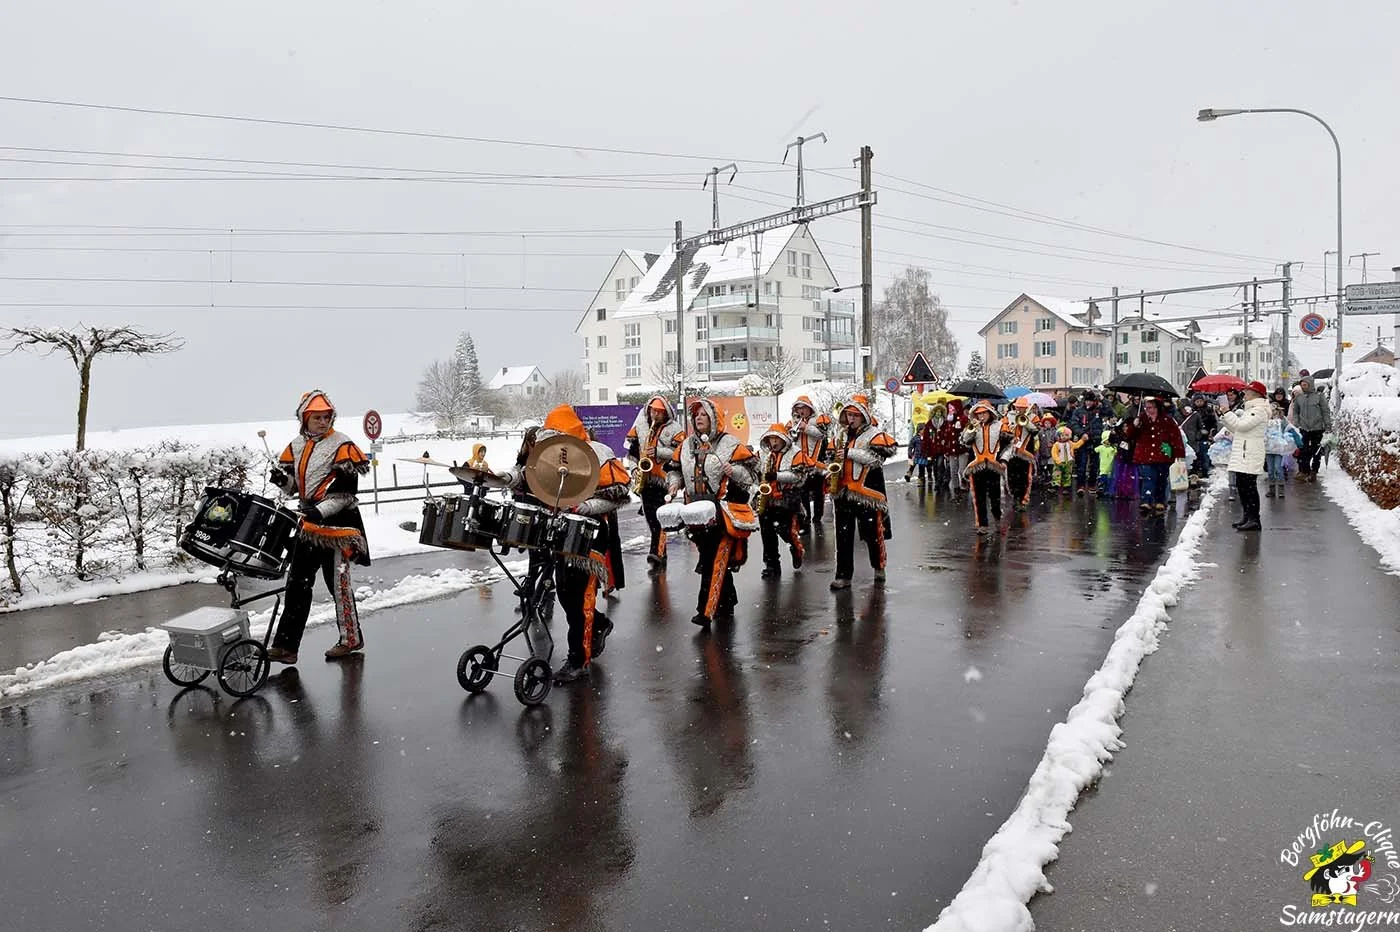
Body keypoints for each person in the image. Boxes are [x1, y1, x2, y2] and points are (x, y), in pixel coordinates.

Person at [267, 390, 371, 664]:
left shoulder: (342, 445)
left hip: (339, 529)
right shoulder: (297, 445)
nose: (323, 422)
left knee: (338, 585)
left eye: (326, 417)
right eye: (317, 417)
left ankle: (351, 639)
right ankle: (287, 647)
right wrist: (282, 480)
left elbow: (345, 493)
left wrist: (319, 510)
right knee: (297, 584)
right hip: (309, 526)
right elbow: (297, 489)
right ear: (304, 418)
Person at [534, 405, 631, 684]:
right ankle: (599, 624)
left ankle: (579, 659)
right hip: (561, 531)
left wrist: (585, 507)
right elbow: (533, 483)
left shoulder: (599, 453)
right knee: (566, 594)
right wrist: (504, 479)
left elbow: (619, 492)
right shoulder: (548, 455)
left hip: (591, 532)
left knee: (580, 597)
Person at [667, 399, 757, 627]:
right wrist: (674, 483)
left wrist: (734, 470)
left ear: (714, 418)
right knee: (712, 558)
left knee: (712, 562)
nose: (698, 418)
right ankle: (728, 600)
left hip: (721, 512)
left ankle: (705, 611)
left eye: (703, 415)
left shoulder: (729, 443)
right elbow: (675, 470)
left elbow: (751, 476)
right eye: (696, 415)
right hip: (694, 512)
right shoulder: (686, 445)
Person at [829, 395, 897, 588]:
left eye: (855, 415)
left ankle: (878, 566)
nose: (851, 419)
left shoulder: (874, 434)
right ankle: (843, 576)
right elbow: (832, 458)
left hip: (867, 493)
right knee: (843, 536)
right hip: (842, 492)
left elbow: (876, 460)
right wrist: (831, 469)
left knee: (872, 534)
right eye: (849, 415)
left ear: (864, 417)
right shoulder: (840, 435)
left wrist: (850, 453)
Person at [625, 396, 683, 575]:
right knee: (650, 517)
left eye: (659, 411)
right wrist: (635, 469)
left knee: (661, 517)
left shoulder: (675, 429)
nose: (655, 414)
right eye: (653, 410)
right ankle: (657, 550)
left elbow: (680, 452)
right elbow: (633, 453)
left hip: (664, 479)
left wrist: (658, 451)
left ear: (665, 413)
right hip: (646, 479)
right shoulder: (641, 427)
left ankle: (658, 552)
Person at [754, 428, 811, 579]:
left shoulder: (795, 453)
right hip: (767, 498)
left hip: (787, 498)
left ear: (783, 439)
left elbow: (798, 476)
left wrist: (777, 476)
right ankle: (772, 565)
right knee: (767, 533)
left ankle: (796, 548)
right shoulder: (763, 454)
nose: (773, 442)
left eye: (776, 439)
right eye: (771, 439)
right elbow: (755, 471)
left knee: (785, 530)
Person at [1123, 396, 1185, 516]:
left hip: (1163, 453)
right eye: (1146, 407)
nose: (1147, 410)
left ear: (1157, 408)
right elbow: (1129, 435)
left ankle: (1159, 501)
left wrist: (1179, 454)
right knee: (1148, 477)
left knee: (1161, 480)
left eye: (1150, 407)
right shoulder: (1140, 419)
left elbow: (1176, 438)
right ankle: (1146, 500)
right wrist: (1134, 426)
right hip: (1145, 454)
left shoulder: (1167, 420)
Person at [1223, 381, 1270, 531]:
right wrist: (1225, 416)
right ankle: (1247, 516)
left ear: (1255, 394)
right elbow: (1237, 429)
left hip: (1249, 451)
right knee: (1242, 486)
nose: (1244, 394)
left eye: (1247, 391)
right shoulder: (1250, 410)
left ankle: (1254, 519)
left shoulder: (1259, 410)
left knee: (1249, 486)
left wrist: (1227, 413)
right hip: (1244, 450)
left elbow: (1242, 426)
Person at [785, 395, 832, 532]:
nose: (801, 411)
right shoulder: (794, 422)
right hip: (801, 464)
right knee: (802, 492)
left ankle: (817, 516)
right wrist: (793, 431)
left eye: (803, 408)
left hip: (816, 463)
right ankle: (805, 517)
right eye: (798, 409)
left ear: (809, 408)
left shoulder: (817, 420)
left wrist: (806, 427)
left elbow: (821, 434)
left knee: (818, 492)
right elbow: (789, 439)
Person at [961, 400, 1007, 534]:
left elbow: (1008, 444)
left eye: (983, 413)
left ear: (990, 413)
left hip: (994, 465)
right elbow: (965, 442)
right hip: (977, 466)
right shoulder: (973, 426)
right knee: (979, 497)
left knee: (995, 496)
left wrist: (1004, 460)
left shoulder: (999, 425)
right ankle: (983, 524)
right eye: (978, 414)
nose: (981, 417)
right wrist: (971, 430)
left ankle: (997, 517)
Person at [1290, 375, 1331, 480]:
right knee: (1303, 450)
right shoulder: (1299, 397)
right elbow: (1296, 411)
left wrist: (1328, 426)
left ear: (1310, 385)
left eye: (1305, 385)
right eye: (1302, 385)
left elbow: (1325, 411)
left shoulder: (1319, 396)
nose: (1303, 387)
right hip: (1304, 428)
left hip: (1317, 428)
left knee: (1316, 451)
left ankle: (1314, 471)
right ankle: (1305, 471)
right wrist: (1297, 422)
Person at [1000, 408, 1039, 511]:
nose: (1020, 409)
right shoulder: (1008, 416)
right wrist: (1010, 434)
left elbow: (1036, 431)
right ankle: (1016, 498)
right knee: (1012, 477)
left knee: (1025, 477)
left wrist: (1027, 422)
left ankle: (1023, 500)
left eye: (1022, 407)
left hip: (1026, 453)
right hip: (1012, 452)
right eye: (1018, 407)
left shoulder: (1033, 416)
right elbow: (1002, 433)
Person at [1068, 391, 1106, 496]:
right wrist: (1081, 433)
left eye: (1090, 401)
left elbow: (1110, 411)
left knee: (1094, 464)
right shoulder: (1078, 411)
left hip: (1096, 440)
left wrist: (1103, 399)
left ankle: (1092, 484)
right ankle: (1080, 486)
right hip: (1083, 441)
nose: (1088, 403)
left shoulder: (1098, 410)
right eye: (1087, 401)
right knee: (1082, 464)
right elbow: (1074, 423)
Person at [1264, 404, 1303, 499]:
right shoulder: (1265, 421)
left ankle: (1281, 489)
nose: (1273, 413)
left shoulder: (1282, 421)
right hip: (1269, 449)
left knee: (1278, 468)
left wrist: (1298, 441)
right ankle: (1272, 489)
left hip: (1278, 449)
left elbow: (1291, 429)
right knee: (1270, 469)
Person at [1049, 425, 1081, 494]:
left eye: (1066, 435)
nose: (1064, 437)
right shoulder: (1057, 444)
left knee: (1067, 474)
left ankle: (1066, 487)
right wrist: (1058, 460)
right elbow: (1054, 453)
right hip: (1059, 462)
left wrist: (1082, 440)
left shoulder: (1069, 443)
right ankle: (1055, 486)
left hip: (1068, 462)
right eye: (1062, 435)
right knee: (1056, 474)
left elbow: (1076, 445)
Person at [1095, 429, 1116, 497]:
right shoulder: (1101, 447)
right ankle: (1101, 489)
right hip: (1102, 469)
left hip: (1110, 469)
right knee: (1102, 480)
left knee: (1109, 481)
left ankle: (1107, 491)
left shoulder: (1113, 448)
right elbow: (1095, 450)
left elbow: (1116, 452)